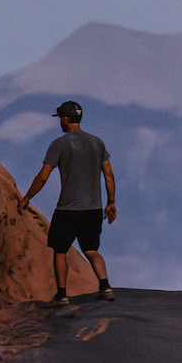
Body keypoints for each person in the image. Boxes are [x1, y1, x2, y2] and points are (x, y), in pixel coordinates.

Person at [18, 101, 116, 306]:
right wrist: (111, 203)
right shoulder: (97, 143)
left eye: (60, 118)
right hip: (94, 208)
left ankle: (61, 295)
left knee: (60, 250)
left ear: (65, 119)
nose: (60, 122)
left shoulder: (59, 144)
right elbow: (108, 174)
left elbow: (43, 177)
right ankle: (105, 286)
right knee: (91, 249)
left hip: (68, 209)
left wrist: (26, 199)